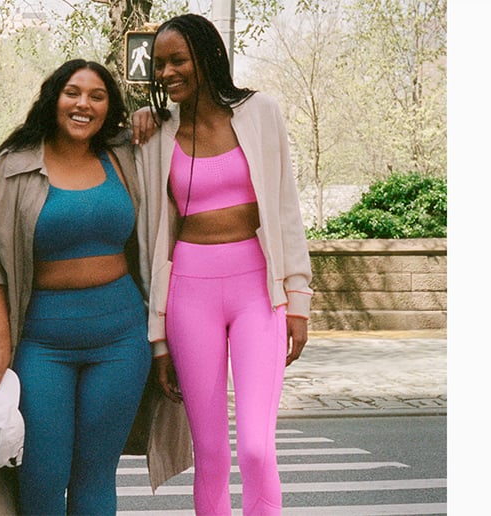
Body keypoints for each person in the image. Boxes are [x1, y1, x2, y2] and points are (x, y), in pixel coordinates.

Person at [0, 58, 188, 515]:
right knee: (42, 475)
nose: (83, 104)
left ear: (109, 108)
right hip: (41, 341)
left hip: (121, 339)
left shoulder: (126, 155)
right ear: (54, 98)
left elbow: (184, 124)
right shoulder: (11, 167)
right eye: (73, 92)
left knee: (95, 474)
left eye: (97, 96)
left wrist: (152, 115)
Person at [133, 13, 314, 515]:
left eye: (178, 60)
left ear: (208, 57)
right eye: (159, 65)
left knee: (256, 447)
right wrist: (159, 339)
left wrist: (298, 299)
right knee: (210, 454)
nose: (166, 73)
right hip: (189, 291)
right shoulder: (158, 132)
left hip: (258, 287)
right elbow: (151, 237)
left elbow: (285, 207)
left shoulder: (261, 112)